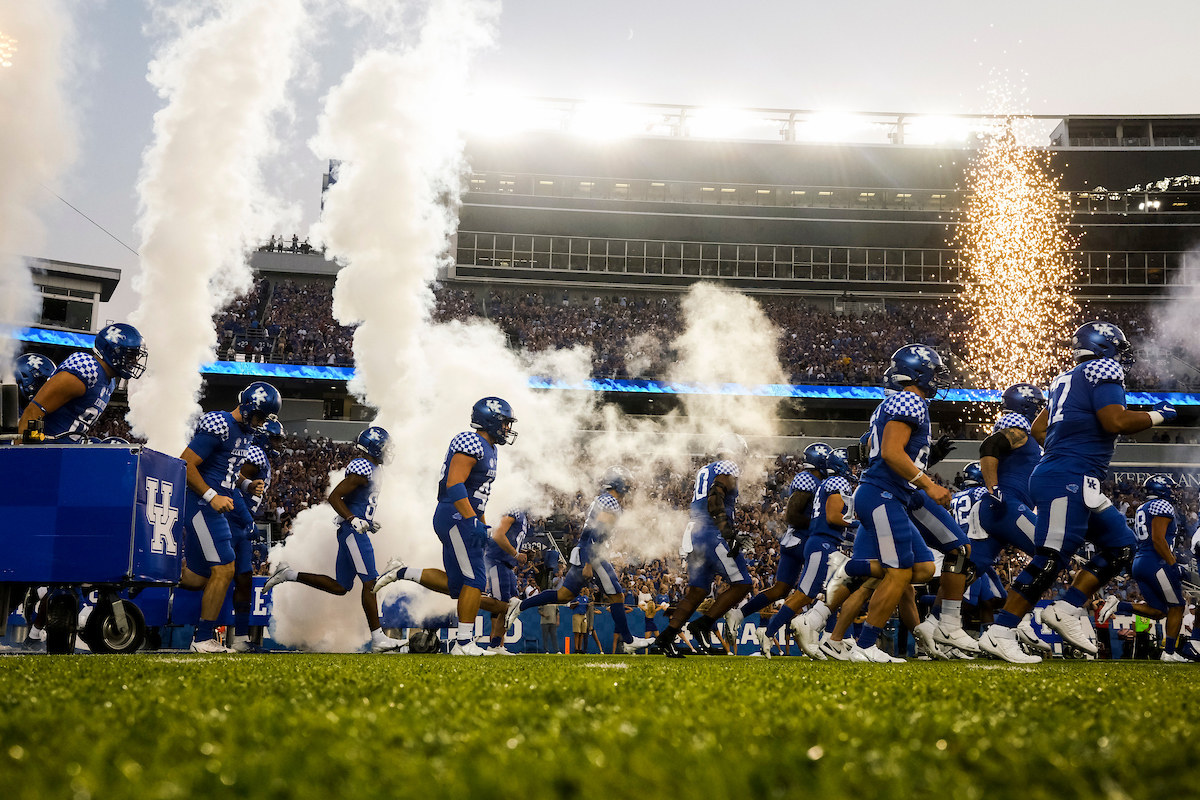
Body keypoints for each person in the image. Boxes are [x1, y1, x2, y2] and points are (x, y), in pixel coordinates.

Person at [979, 321, 1176, 663]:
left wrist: (1064, 448)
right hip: (1067, 475)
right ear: (1104, 347)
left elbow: (1040, 427)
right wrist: (1158, 415)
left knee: (1121, 546)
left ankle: (1066, 609)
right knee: (1051, 557)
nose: (1122, 356)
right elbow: (1115, 422)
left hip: (1074, 475)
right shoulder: (1104, 368)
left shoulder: (1065, 379)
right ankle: (1001, 631)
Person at [829, 345, 951, 663]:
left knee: (920, 569)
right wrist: (930, 485)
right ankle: (865, 645)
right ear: (918, 372)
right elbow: (891, 453)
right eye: (934, 371)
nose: (938, 378)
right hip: (883, 493)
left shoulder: (897, 401)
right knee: (898, 572)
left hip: (889, 494)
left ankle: (852, 573)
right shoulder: (909, 399)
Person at [384, 398, 516, 656]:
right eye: (504, 422)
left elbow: (478, 494)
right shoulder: (471, 441)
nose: (507, 428)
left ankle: (402, 571)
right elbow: (454, 484)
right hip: (456, 514)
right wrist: (470, 520)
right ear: (489, 420)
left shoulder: (490, 448)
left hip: (465, 515)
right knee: (475, 579)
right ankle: (463, 644)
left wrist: (482, 523)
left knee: (458, 585)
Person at [264, 426, 405, 653]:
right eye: (385, 447)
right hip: (353, 532)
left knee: (341, 587)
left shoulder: (375, 469)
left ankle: (288, 574)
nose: (388, 451)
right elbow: (334, 496)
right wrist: (353, 519)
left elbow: (359, 501)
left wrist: (368, 520)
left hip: (356, 529)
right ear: (375, 446)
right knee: (371, 583)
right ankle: (379, 639)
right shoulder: (363, 467)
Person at [505, 467, 654, 654]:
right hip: (593, 553)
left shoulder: (602, 500)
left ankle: (521, 604)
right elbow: (597, 532)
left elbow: (590, 531)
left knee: (564, 596)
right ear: (619, 483)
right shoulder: (610, 501)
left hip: (585, 551)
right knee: (616, 595)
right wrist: (590, 562)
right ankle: (629, 640)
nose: (628, 488)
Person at [180, 381, 282, 653]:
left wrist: (246, 485)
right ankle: (202, 639)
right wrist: (212, 495)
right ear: (248, 406)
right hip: (202, 504)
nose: (260, 423)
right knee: (225, 569)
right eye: (260, 416)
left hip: (215, 506)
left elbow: (227, 471)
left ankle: (151, 577)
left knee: (195, 578)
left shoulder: (245, 433)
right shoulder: (221, 423)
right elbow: (186, 463)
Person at [653, 433, 754, 658]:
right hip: (712, 532)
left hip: (694, 533)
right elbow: (715, 499)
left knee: (697, 591)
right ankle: (704, 625)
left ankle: (666, 638)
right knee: (743, 583)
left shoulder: (706, 469)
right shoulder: (728, 466)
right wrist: (729, 535)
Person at [725, 443, 831, 640]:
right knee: (828, 585)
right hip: (803, 540)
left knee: (780, 589)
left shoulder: (811, 480)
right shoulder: (808, 480)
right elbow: (792, 515)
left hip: (794, 540)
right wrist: (820, 525)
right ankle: (829, 636)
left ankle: (739, 614)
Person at [757, 448, 855, 658]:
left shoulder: (825, 484)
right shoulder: (836, 483)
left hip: (824, 542)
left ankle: (835, 637)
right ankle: (771, 632)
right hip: (822, 544)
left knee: (836, 591)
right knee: (805, 594)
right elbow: (833, 517)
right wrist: (859, 522)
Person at [1098, 475, 1187, 662]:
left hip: (1141, 561)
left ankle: (1119, 604)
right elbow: (1158, 539)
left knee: (1159, 610)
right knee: (1177, 606)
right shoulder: (1162, 505)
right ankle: (1169, 653)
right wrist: (1172, 564)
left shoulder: (1144, 507)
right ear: (1161, 489)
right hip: (1156, 562)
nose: (1173, 491)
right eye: (1170, 488)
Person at [17, 323, 146, 441]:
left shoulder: (110, 382)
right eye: (130, 356)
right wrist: (20, 458)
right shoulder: (87, 369)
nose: (134, 362)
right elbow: (32, 412)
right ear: (113, 351)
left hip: (65, 454)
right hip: (47, 452)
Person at [226, 417, 283, 653]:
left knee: (244, 578)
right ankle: (205, 635)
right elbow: (231, 482)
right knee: (214, 576)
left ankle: (240, 640)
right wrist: (247, 517)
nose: (279, 443)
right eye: (276, 437)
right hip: (232, 519)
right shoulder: (255, 452)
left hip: (239, 522)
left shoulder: (259, 453)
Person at [483, 509, 529, 654]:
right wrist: (515, 554)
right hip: (497, 560)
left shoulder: (523, 515)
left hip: (507, 565)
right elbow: (498, 534)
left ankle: (496, 645)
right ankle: (467, 598)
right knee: (501, 604)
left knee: (511, 604)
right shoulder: (514, 508)